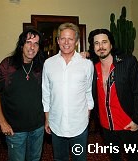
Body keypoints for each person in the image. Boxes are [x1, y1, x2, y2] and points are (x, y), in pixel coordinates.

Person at [88, 29, 138, 161]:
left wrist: (137, 120)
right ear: (93, 47)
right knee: (114, 157)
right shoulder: (91, 67)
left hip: (128, 124)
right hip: (106, 126)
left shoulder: (128, 62)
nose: (101, 47)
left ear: (111, 44)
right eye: (97, 43)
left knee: (133, 158)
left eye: (104, 42)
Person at [0, 29, 45, 161]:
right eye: (28, 42)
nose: (32, 47)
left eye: (36, 43)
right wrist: (2, 122)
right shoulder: (7, 65)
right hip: (15, 129)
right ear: (21, 45)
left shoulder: (42, 66)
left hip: (38, 128)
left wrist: (83, 55)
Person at [42, 22, 94, 161]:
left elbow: (88, 93)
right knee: (59, 159)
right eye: (63, 38)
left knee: (79, 158)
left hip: (79, 125)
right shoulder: (48, 64)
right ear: (58, 40)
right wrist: (47, 119)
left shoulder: (86, 64)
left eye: (70, 39)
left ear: (76, 42)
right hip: (56, 124)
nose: (66, 42)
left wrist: (87, 117)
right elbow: (46, 94)